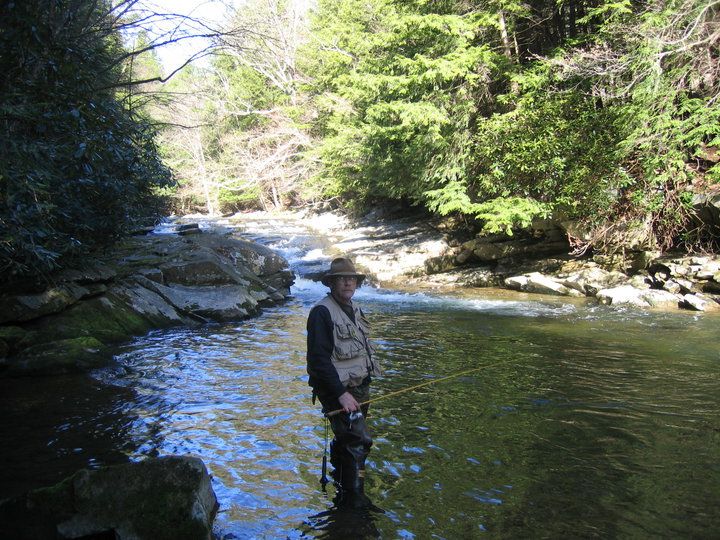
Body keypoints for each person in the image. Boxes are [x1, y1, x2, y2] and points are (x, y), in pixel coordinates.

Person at [306, 257, 382, 506]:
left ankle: (342, 491)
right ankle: (355, 500)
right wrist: (340, 394)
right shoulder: (322, 312)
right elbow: (318, 361)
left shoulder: (355, 308)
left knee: (347, 442)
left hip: (358, 388)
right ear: (331, 283)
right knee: (359, 442)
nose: (348, 282)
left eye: (352, 278)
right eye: (342, 278)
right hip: (339, 392)